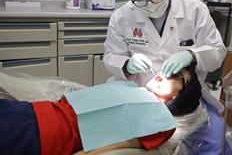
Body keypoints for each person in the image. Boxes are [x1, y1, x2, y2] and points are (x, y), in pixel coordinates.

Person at [103, 0, 230, 154]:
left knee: (217, 144)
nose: (149, 1)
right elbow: (110, 56)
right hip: (136, 95)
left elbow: (217, 51)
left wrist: (192, 55)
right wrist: (126, 64)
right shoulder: (122, 17)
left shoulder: (194, 10)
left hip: (186, 102)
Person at [0, 66, 202, 155]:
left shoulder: (162, 121)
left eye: (177, 76)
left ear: (179, 96)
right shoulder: (131, 87)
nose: (165, 74)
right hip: (35, 110)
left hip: (44, 136)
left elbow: (120, 145)